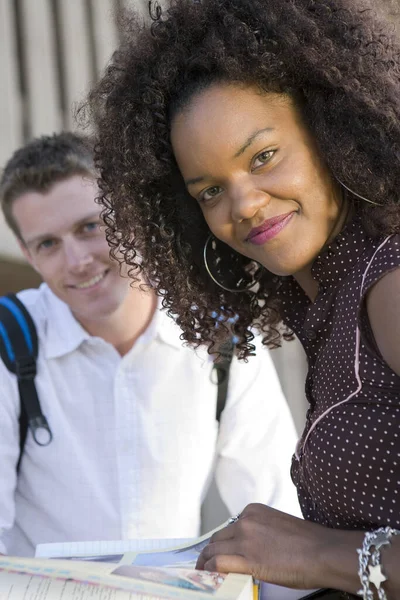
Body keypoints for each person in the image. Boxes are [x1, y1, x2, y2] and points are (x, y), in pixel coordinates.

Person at [86, 0, 400, 597]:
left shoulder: (390, 283)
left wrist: (325, 553)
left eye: (263, 157)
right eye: (208, 192)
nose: (244, 205)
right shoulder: (327, 302)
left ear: (333, 129)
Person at [0, 132, 300, 557]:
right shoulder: (6, 343)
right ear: (28, 255)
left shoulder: (223, 341)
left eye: (89, 227)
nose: (76, 261)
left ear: (127, 216)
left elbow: (278, 511)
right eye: (47, 244)